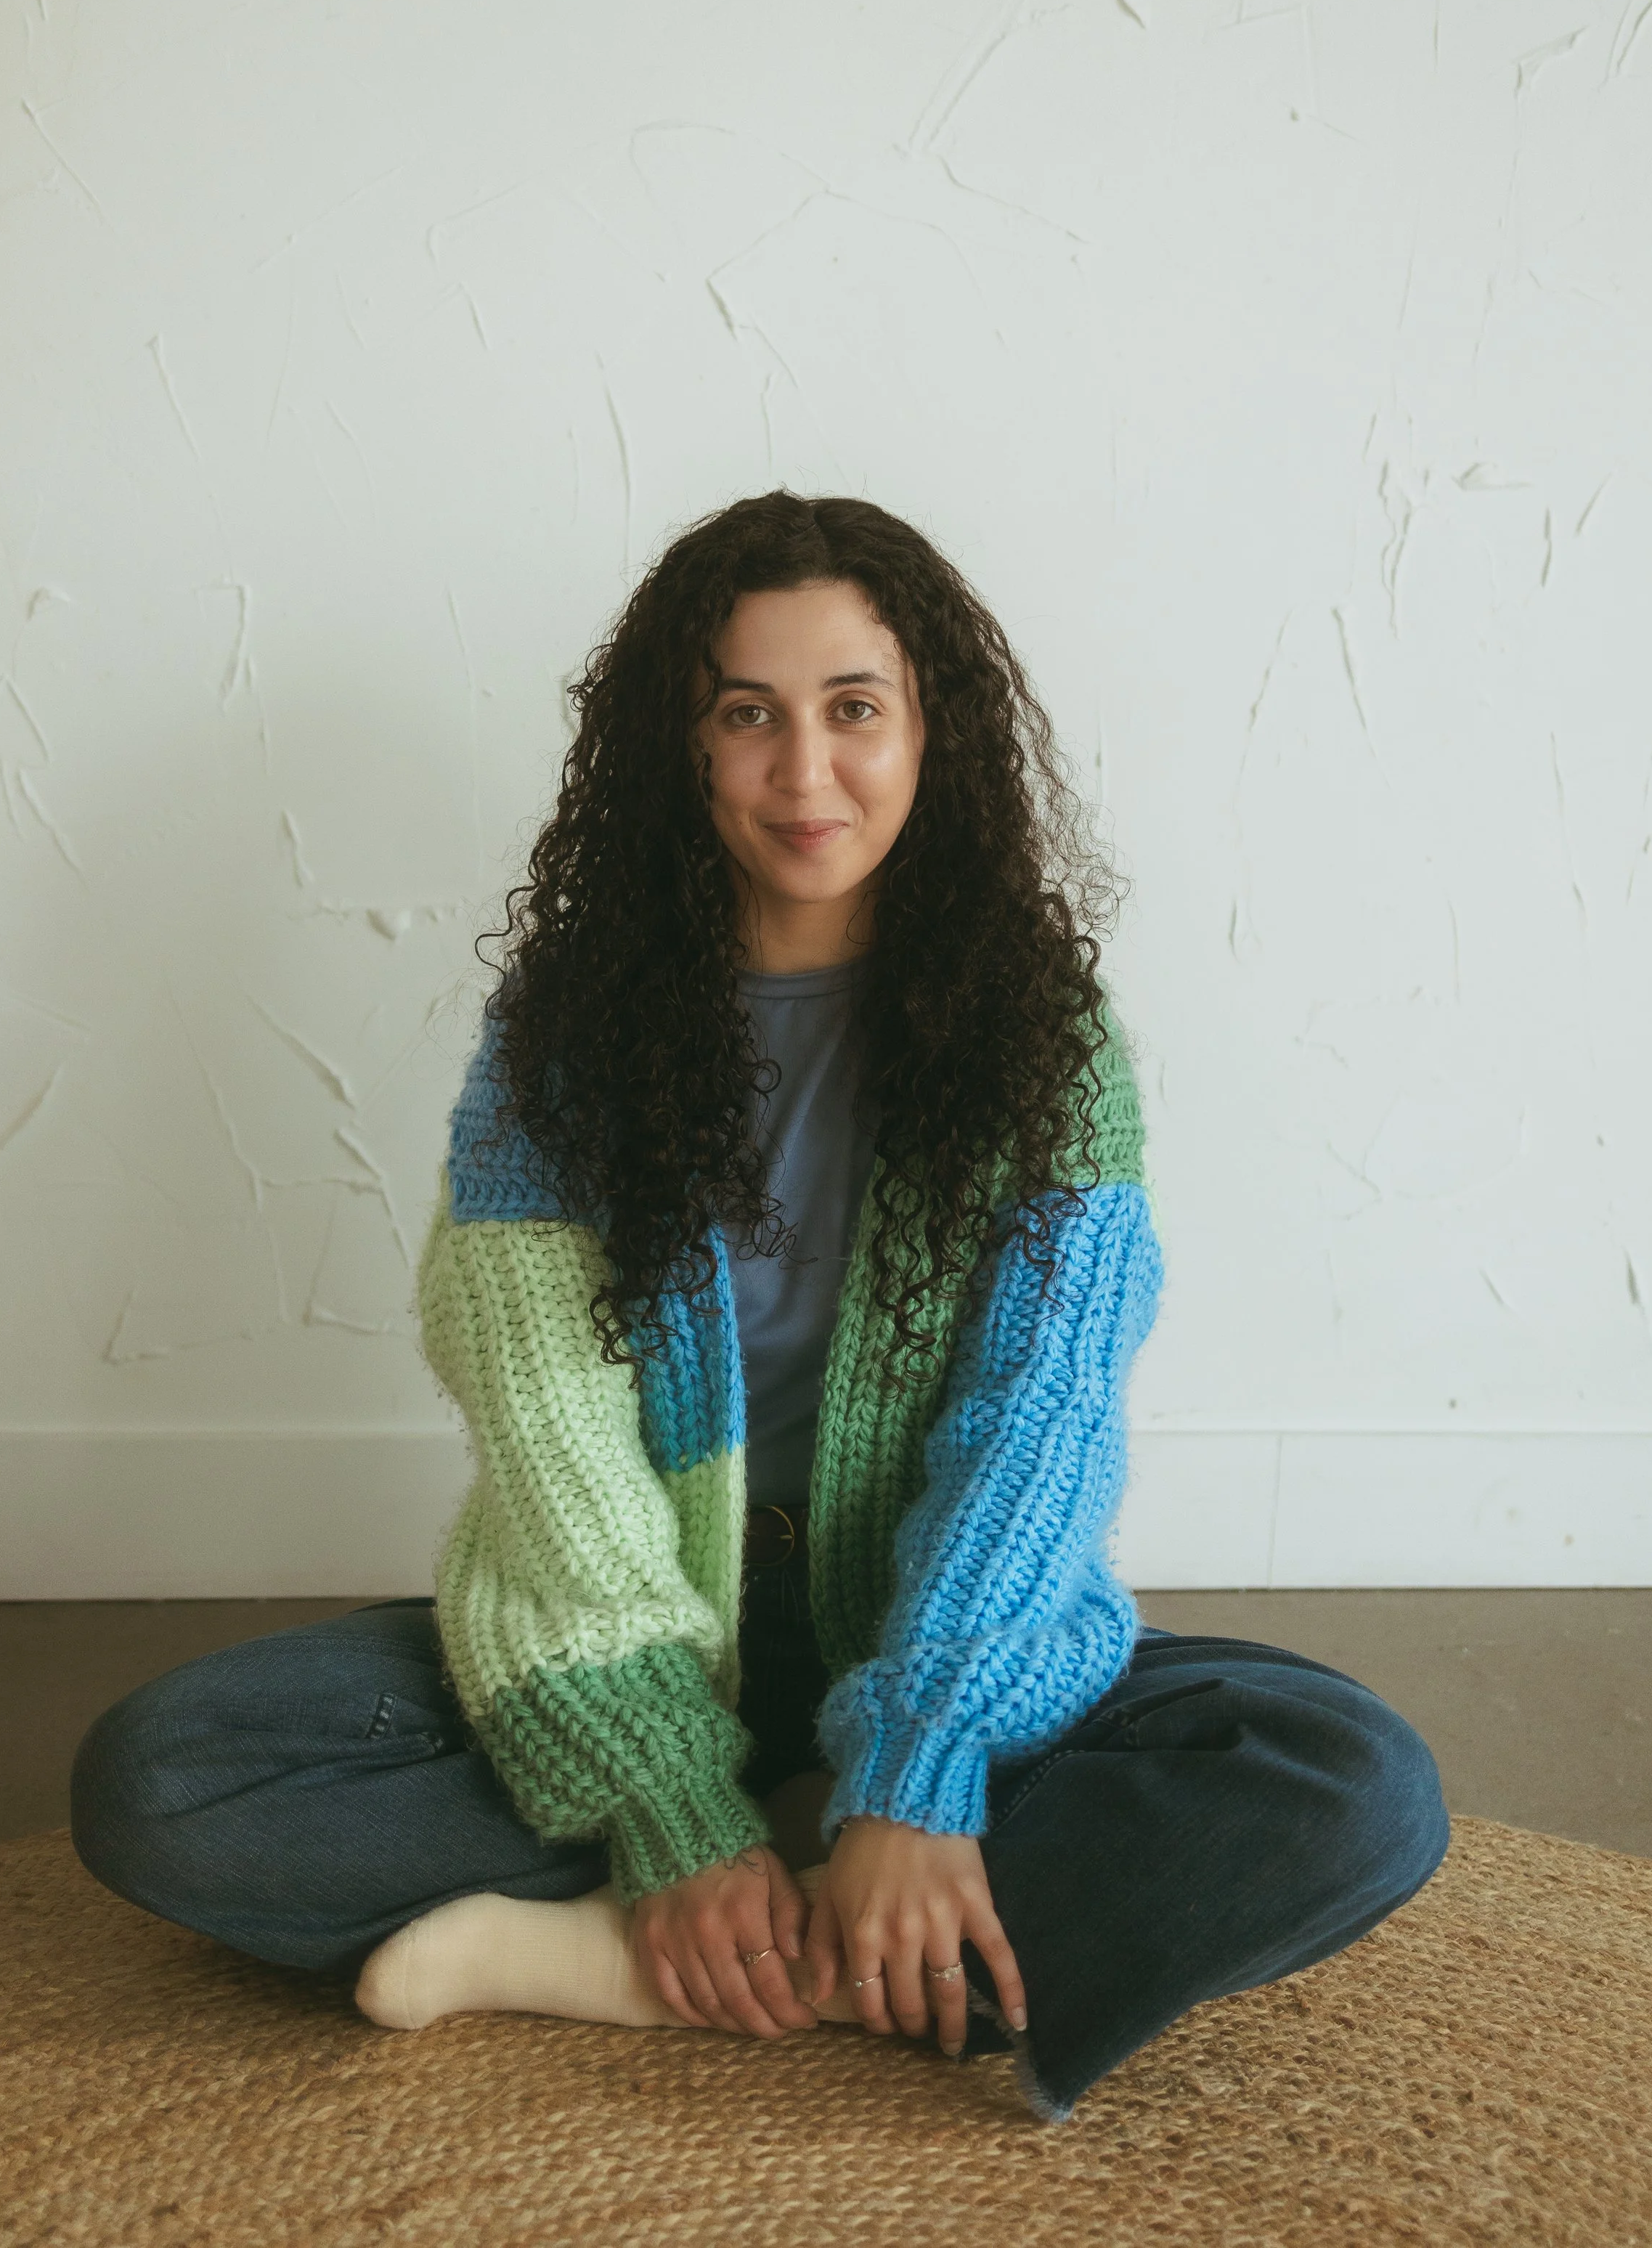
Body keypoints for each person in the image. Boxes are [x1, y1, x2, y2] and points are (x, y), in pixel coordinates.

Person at [70, 490, 1448, 2122]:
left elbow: (1039, 1419)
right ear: (683, 745)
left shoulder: (1042, 1041)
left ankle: (646, 1948)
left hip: (936, 1629)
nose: (807, 774)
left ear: (933, 730)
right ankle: (859, 1927)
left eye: (853, 710)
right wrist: (666, 1795)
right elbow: (549, 1427)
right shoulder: (564, 1040)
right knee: (160, 1781)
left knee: (1359, 1786)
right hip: (638, 1627)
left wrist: (921, 1760)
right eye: (749, 717)